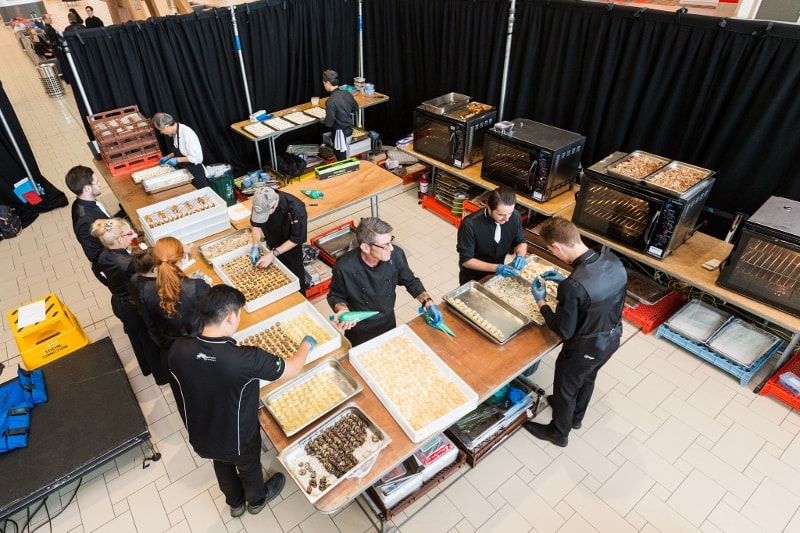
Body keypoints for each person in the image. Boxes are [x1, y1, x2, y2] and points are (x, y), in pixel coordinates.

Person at [168, 285, 316, 517]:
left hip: (202, 433)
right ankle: (256, 501)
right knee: (249, 467)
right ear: (230, 317)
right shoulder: (247, 359)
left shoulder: (178, 350)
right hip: (239, 438)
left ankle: (235, 503)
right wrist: (306, 344)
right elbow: (293, 368)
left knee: (220, 463)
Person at [524, 216, 627, 447]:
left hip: (583, 348)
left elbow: (564, 330)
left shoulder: (573, 286)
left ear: (557, 246)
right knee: (588, 378)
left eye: (553, 251)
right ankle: (576, 418)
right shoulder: (612, 260)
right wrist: (565, 280)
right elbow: (600, 293)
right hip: (610, 340)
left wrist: (542, 303)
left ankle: (558, 432)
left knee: (565, 388)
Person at [327, 217, 442, 346]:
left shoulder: (396, 255)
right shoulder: (345, 267)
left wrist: (428, 302)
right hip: (359, 327)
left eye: (390, 241)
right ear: (365, 247)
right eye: (384, 245)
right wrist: (343, 311)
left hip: (387, 320)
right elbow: (335, 295)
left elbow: (410, 281)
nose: (391, 248)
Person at [91, 218, 165, 383]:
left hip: (119, 302)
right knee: (149, 343)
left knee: (137, 339)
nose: (132, 235)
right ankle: (161, 376)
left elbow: (98, 273)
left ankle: (146, 368)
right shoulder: (128, 264)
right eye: (128, 234)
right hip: (134, 308)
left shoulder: (103, 255)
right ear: (119, 240)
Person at [138, 236, 211, 398]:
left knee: (186, 395)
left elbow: (151, 328)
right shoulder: (197, 286)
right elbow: (211, 317)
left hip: (172, 353)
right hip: (201, 350)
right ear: (181, 259)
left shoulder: (145, 290)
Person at [456, 186, 528, 285]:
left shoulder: (514, 217)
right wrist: (497, 268)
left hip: (496, 276)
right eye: (501, 215)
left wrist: (520, 256)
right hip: (473, 278)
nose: (506, 219)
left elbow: (520, 241)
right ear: (489, 207)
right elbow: (466, 260)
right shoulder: (470, 225)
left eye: (509, 213)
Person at [248, 187, 308, 293]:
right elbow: (256, 225)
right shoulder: (260, 200)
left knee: (295, 281)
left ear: (274, 205)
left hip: (291, 250)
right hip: (271, 242)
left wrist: (273, 253)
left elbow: (296, 239)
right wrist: (255, 246)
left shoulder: (296, 209)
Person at [66, 165, 117, 286]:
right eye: (97, 182)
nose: (100, 184)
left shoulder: (82, 202)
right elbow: (94, 254)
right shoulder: (86, 220)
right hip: (111, 270)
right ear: (87, 189)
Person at [152, 112, 209, 189]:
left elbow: (197, 158)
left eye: (161, 130)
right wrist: (168, 156)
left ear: (167, 127)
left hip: (195, 172)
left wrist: (177, 160)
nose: (161, 133)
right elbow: (178, 149)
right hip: (185, 170)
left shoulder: (187, 134)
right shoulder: (176, 132)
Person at [321, 70, 358, 161]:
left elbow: (329, 123)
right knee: (347, 155)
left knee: (341, 161)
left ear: (328, 83)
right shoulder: (347, 94)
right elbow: (355, 108)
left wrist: (322, 120)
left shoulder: (330, 101)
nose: (324, 85)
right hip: (349, 131)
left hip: (339, 136)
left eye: (324, 83)